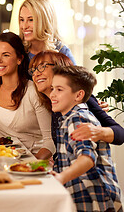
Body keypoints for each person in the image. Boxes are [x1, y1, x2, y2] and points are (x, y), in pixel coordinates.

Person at [49, 65, 122, 212]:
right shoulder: (68, 118)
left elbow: (87, 158)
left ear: (78, 95)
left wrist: (62, 177)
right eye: (52, 88)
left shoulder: (78, 119)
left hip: (94, 198)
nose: (52, 94)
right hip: (85, 195)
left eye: (59, 89)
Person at [0, 0, 76, 82]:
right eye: (21, 20)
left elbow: (78, 84)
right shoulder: (17, 49)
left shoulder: (61, 52)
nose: (24, 26)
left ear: (44, 21)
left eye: (31, 20)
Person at [0, 32, 54, 159]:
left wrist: (32, 165)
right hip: (4, 160)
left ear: (19, 59)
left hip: (35, 160)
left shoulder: (33, 92)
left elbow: (50, 142)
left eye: (5, 55)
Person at [29, 51, 124, 145]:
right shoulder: (52, 104)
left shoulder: (81, 100)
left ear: (60, 68)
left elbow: (120, 133)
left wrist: (97, 131)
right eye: (33, 70)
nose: (35, 74)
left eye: (42, 67)